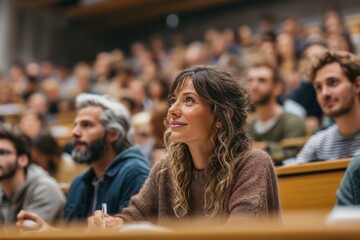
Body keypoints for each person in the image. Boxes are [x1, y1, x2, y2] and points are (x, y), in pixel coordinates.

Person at [87, 65, 280, 229]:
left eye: (189, 100)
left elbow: (239, 232)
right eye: (173, 100)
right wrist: (112, 224)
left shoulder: (253, 164)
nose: (172, 110)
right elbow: (135, 216)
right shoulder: (164, 170)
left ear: (222, 117)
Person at [16, 93, 150, 227]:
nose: (75, 132)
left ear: (113, 134)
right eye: (75, 125)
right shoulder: (79, 183)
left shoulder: (134, 174)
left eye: (86, 125)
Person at [296, 51, 360, 164]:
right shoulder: (317, 145)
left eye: (332, 82)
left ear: (357, 85)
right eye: (318, 87)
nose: (325, 93)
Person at [0, 125, 65, 224]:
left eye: (2, 152)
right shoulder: (2, 189)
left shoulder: (44, 188)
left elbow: (24, 236)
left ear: (23, 160)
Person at [247, 60, 306, 164]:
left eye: (262, 80)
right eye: (250, 80)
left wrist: (265, 147)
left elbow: (294, 155)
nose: (254, 86)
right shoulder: (247, 126)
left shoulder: (293, 121)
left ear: (277, 88)